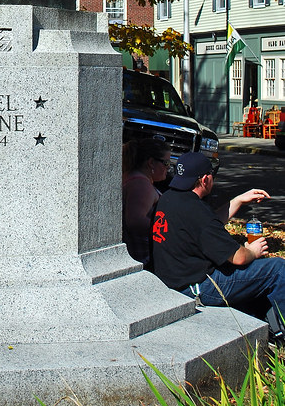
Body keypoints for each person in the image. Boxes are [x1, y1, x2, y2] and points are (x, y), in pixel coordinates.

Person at [151, 151, 285, 340]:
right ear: (205, 179)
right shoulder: (196, 210)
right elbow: (238, 257)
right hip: (198, 288)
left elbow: (208, 224)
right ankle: (281, 333)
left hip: (174, 281)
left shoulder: (170, 199)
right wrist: (253, 252)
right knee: (277, 269)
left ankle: (265, 326)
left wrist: (238, 200)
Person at [122, 137, 171, 266]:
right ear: (151, 163)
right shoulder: (141, 184)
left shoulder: (136, 178)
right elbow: (135, 221)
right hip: (144, 258)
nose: (168, 168)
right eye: (165, 163)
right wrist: (170, 229)